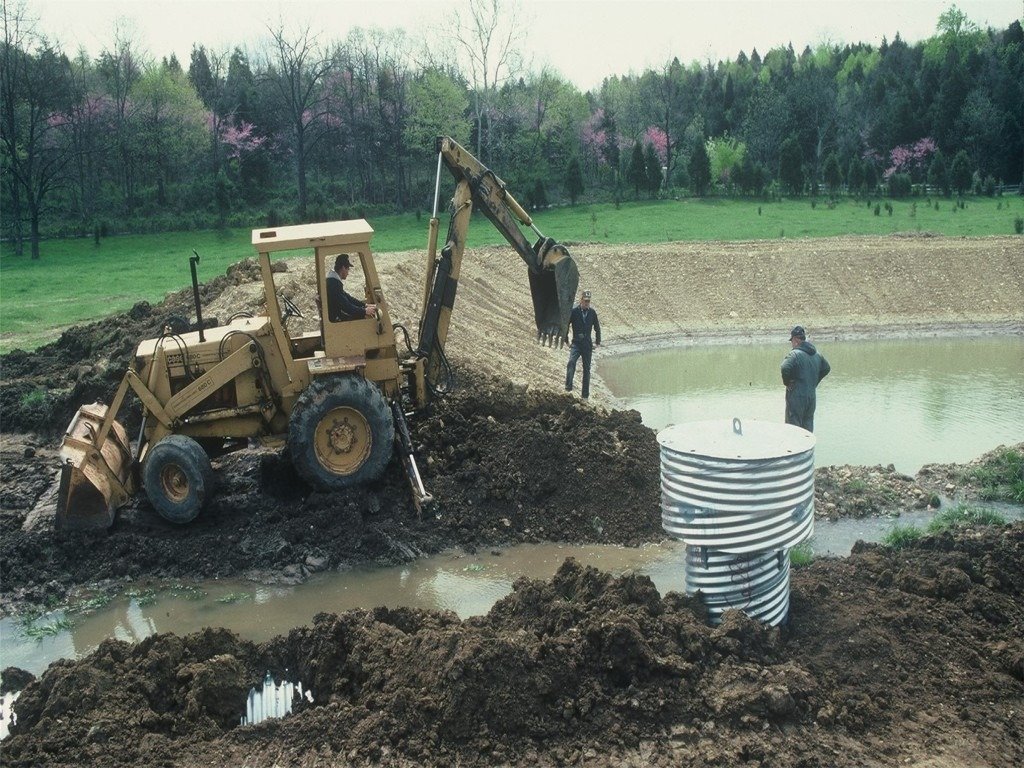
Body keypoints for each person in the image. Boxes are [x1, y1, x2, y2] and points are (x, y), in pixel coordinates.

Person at [781, 325, 830, 432]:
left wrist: (787, 382)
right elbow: (826, 368)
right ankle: (807, 448)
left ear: (795, 340)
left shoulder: (794, 354)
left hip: (796, 396)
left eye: (792, 341)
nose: (792, 344)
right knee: (808, 427)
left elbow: (784, 367)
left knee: (793, 427)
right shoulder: (817, 354)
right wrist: (814, 382)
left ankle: (794, 447)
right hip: (811, 397)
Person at [565, 290, 601, 399]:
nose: (587, 303)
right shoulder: (574, 312)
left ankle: (585, 395)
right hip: (576, 343)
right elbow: (566, 325)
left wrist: (597, 343)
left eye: (588, 301)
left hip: (587, 345)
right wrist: (566, 340)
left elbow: (597, 328)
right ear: (581, 300)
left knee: (587, 369)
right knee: (571, 362)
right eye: (585, 301)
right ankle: (568, 388)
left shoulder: (592, 313)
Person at [326, 253, 376, 322]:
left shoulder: (333, 281)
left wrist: (365, 305)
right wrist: (364, 311)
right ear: (343, 268)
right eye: (348, 269)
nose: (348, 272)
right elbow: (347, 307)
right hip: (336, 319)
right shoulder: (334, 284)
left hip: (336, 315)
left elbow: (348, 298)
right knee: (364, 319)